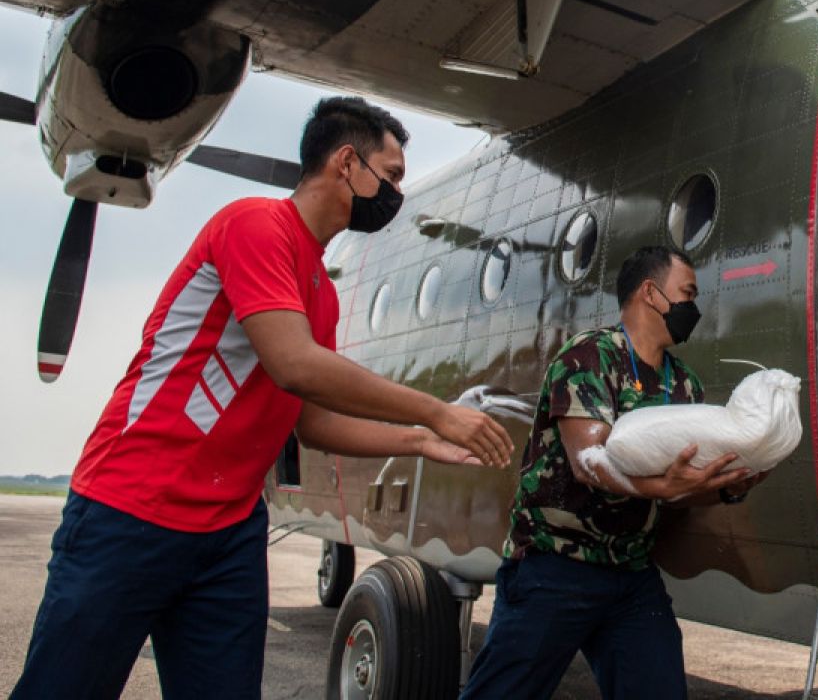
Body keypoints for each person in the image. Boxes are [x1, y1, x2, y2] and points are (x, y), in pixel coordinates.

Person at [12, 96, 514, 700]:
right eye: (392, 174)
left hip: (226, 533)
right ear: (347, 162)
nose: (395, 193)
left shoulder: (320, 293)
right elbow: (296, 365)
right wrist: (437, 410)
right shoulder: (254, 225)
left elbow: (315, 423)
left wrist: (420, 442)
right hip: (133, 509)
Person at [460, 245, 768, 700]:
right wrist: (665, 485)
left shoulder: (683, 384)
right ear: (651, 293)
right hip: (555, 567)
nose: (693, 307)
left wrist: (724, 487)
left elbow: (678, 491)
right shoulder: (588, 357)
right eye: (686, 293)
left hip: (630, 574)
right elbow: (591, 463)